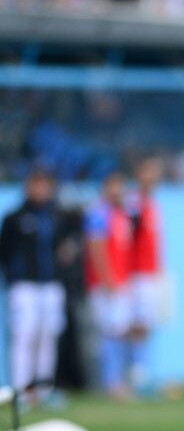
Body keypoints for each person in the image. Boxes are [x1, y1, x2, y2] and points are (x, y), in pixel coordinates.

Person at [0, 169, 68, 406]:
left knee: (48, 337)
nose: (40, 190)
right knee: (24, 337)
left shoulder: (55, 217)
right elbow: (5, 253)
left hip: (50, 285)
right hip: (24, 287)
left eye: (44, 185)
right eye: (35, 185)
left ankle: (43, 390)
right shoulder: (14, 218)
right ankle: (21, 390)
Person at [84, 171, 134, 399]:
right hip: (106, 284)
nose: (118, 191)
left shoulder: (122, 214)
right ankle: (109, 382)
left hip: (122, 282)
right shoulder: (98, 213)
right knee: (109, 332)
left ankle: (119, 380)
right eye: (113, 186)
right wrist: (106, 278)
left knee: (120, 331)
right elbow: (96, 248)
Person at [129, 156, 164, 395]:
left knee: (147, 323)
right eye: (147, 173)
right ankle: (136, 374)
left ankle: (141, 372)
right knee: (136, 323)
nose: (152, 178)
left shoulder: (152, 205)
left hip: (150, 272)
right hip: (136, 273)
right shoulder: (133, 205)